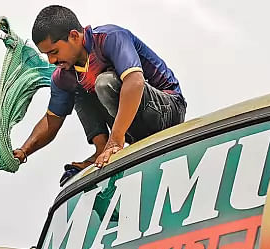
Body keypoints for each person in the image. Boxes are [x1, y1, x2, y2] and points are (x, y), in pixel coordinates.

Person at [12, 5, 187, 186]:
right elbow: (51, 121)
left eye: (54, 52)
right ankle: (101, 148)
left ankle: (112, 142)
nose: (52, 61)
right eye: (46, 55)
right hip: (132, 128)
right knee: (79, 86)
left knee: (104, 82)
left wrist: (116, 139)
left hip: (167, 110)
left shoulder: (109, 38)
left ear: (74, 36)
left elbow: (135, 82)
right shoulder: (63, 75)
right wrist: (24, 151)